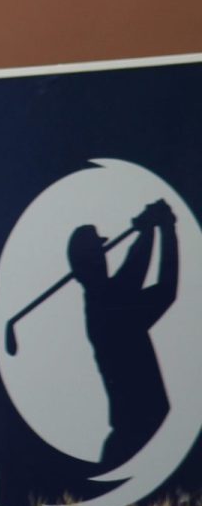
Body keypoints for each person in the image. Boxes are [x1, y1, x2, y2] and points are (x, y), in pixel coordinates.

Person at [68, 197, 180, 467]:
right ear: (86, 265)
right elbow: (135, 272)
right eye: (97, 253)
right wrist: (152, 228)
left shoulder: (114, 300)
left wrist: (165, 231)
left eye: (102, 251)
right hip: (132, 434)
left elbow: (167, 289)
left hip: (150, 429)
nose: (104, 257)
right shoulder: (102, 306)